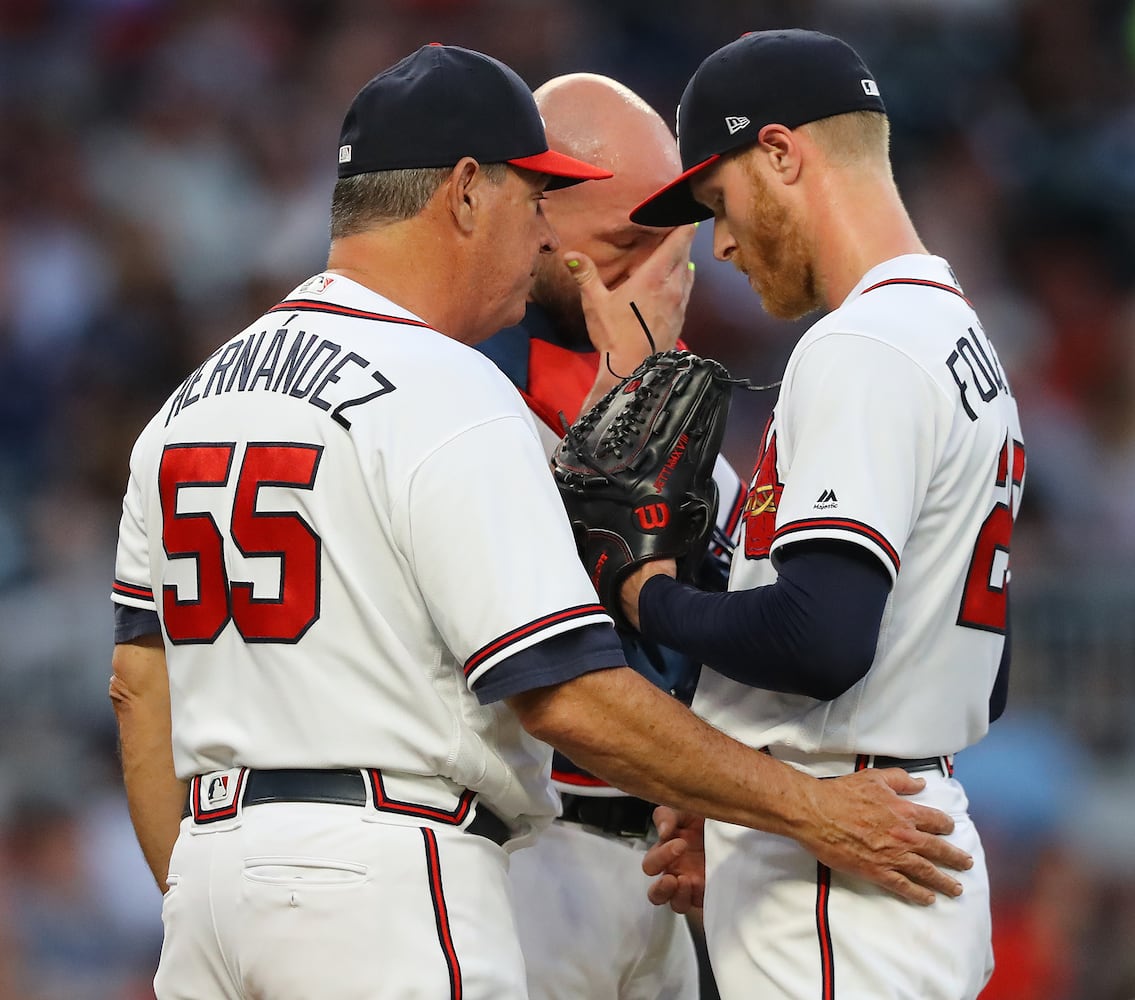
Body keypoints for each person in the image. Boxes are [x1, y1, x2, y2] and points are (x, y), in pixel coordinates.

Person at [108, 42, 972, 1000]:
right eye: (534, 201)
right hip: (395, 865)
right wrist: (805, 810)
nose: (543, 239)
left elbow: (138, 690)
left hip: (218, 872)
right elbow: (564, 695)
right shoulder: (445, 389)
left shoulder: (186, 405)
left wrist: (202, 885)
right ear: (467, 194)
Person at [625, 29, 1026, 999]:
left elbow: (819, 639)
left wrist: (647, 597)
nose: (718, 244)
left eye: (719, 202)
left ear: (779, 152)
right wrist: (736, 789)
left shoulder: (865, 342)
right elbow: (984, 670)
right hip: (892, 839)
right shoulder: (958, 336)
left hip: (843, 871)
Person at [478, 72, 742, 1000]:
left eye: (673, 249)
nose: (654, 281)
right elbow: (530, 632)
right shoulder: (463, 390)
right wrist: (629, 409)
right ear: (539, 212)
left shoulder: (696, 436)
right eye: (628, 244)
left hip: (659, 873)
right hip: (517, 849)